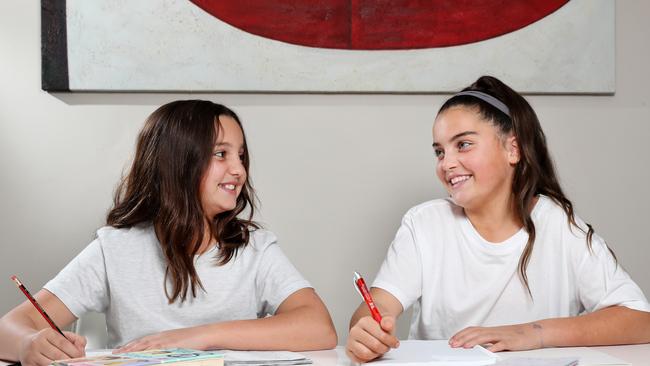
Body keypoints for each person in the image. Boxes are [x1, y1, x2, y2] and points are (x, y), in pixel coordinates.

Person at [0, 100, 337, 366]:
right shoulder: (115, 249)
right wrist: (31, 343)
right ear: (178, 163)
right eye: (221, 154)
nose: (239, 169)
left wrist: (200, 336)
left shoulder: (256, 249)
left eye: (241, 156)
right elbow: (9, 328)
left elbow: (318, 327)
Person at [346, 76, 650, 363]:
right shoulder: (424, 224)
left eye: (463, 144)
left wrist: (532, 333)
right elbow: (377, 306)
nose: (447, 163)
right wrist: (366, 330)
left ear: (512, 149)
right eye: (439, 151)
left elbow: (639, 320)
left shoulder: (558, 225)